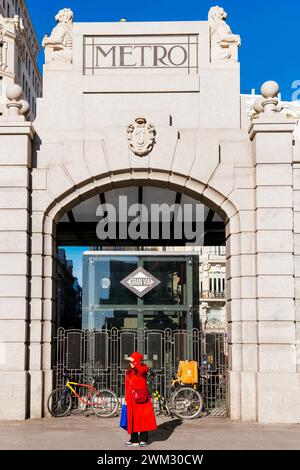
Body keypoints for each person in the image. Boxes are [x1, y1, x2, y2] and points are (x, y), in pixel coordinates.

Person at [125, 352, 157, 447]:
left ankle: (144, 439)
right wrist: (126, 398)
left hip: (142, 398)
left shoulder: (143, 368)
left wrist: (136, 363)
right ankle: (134, 439)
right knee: (132, 419)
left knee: (143, 419)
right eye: (130, 361)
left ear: (136, 361)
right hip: (131, 399)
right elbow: (127, 385)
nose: (130, 363)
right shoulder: (129, 371)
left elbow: (143, 371)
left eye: (132, 361)